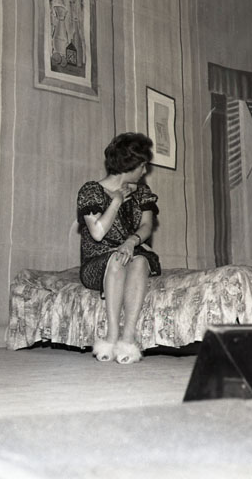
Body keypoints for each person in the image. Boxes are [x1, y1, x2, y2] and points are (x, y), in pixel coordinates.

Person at [77, 132, 161, 364]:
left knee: (141, 261)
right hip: (97, 261)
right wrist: (116, 201)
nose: (144, 171)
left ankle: (128, 339)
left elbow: (147, 226)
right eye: (142, 165)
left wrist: (131, 242)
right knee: (116, 260)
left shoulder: (142, 192)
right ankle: (112, 337)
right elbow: (98, 232)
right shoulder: (91, 191)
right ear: (131, 166)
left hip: (132, 251)